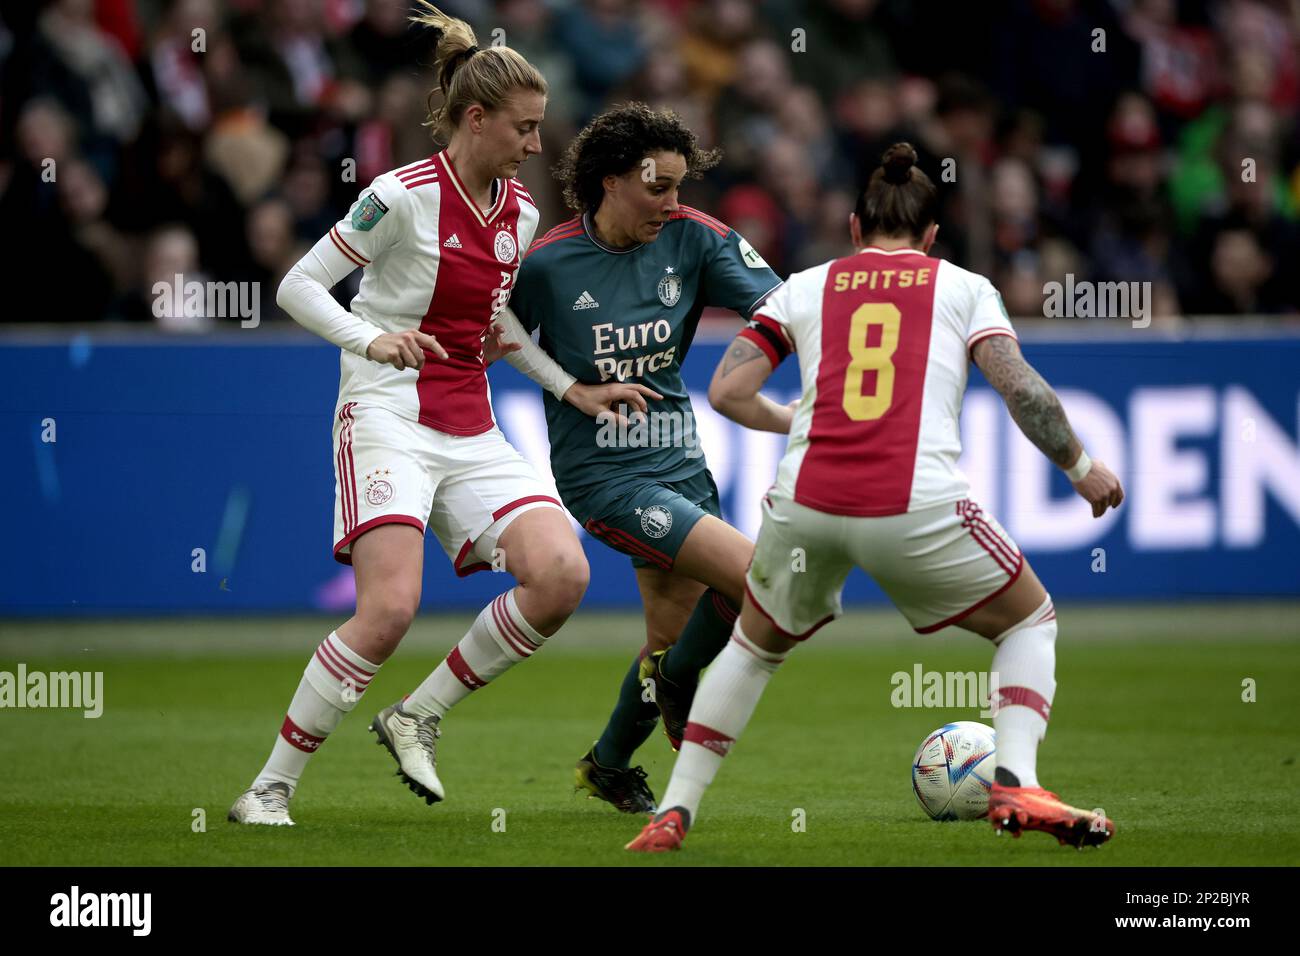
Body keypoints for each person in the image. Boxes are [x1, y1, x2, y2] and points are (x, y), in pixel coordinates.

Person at [627, 142, 1125, 852]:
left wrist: (798, 417)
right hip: (913, 502)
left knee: (753, 648)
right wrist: (1080, 466)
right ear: (930, 236)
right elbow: (1021, 388)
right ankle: (1015, 780)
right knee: (1029, 622)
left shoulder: (804, 285)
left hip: (806, 502)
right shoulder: (961, 287)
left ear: (855, 227)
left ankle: (673, 812)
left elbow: (727, 391)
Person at [228, 3, 634, 826]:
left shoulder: (518, 215)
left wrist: (568, 388)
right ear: (474, 119)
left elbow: (496, 327)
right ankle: (267, 789)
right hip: (384, 416)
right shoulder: (397, 198)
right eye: (522, 129)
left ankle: (419, 714)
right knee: (387, 611)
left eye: (539, 129)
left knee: (562, 575)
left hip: (470, 424)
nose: (533, 146)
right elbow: (298, 286)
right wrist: (370, 337)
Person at [495, 103, 784, 813]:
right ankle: (681, 687)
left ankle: (608, 763)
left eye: (681, 187)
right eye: (659, 187)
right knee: (760, 579)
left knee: (671, 638)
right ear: (611, 181)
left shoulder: (695, 240)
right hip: (604, 478)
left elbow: (785, 307)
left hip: (680, 461)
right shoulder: (549, 264)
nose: (673, 203)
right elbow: (490, 330)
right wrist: (568, 387)